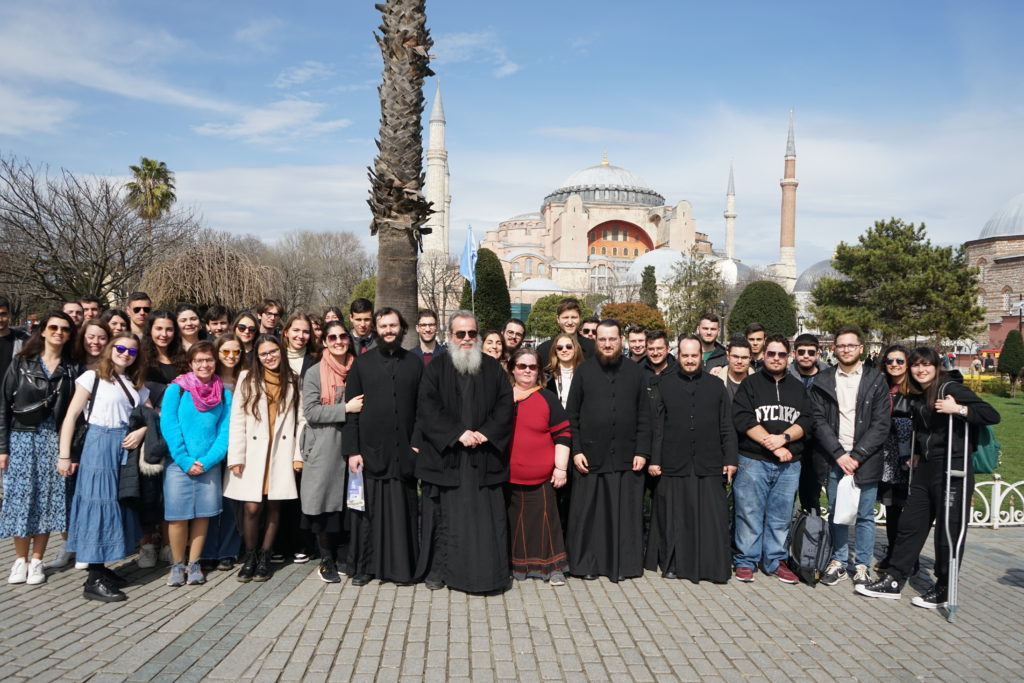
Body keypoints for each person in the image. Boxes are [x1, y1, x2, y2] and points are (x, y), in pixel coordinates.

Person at [857, 347, 1000, 608]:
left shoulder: (950, 389)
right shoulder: (917, 395)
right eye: (916, 365)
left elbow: (991, 415)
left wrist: (958, 409)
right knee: (911, 524)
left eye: (926, 365)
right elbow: (925, 431)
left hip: (954, 468)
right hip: (927, 468)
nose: (921, 370)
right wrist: (919, 453)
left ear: (936, 367)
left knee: (949, 530)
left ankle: (944, 586)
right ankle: (894, 578)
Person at [415, 311, 514, 594]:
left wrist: (486, 433)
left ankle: (490, 575)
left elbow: (505, 406)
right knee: (445, 521)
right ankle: (441, 572)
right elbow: (428, 408)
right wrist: (457, 433)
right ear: (450, 337)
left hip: (484, 458)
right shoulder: (435, 369)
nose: (467, 339)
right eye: (461, 334)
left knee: (486, 522)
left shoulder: (493, 369)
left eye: (472, 333)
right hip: (449, 459)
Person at [59, 333, 150, 602]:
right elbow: (71, 416)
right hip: (99, 446)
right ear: (111, 349)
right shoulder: (92, 378)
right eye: (121, 348)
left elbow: (151, 416)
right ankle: (94, 576)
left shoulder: (134, 384)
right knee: (98, 506)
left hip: (123, 448)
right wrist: (64, 456)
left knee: (116, 504)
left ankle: (103, 568)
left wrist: (142, 431)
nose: (125, 354)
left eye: (132, 351)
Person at [565, 318, 652, 582]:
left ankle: (622, 566)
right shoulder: (583, 372)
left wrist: (642, 451)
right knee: (590, 516)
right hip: (590, 457)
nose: (607, 344)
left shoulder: (636, 373)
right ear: (595, 341)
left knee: (624, 515)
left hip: (627, 457)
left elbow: (645, 417)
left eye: (612, 339)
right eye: (602, 339)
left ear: (620, 341)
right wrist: (576, 450)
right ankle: (588, 565)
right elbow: (572, 416)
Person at [645, 335, 737, 583]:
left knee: (710, 517)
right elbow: (658, 427)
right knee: (675, 517)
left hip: (709, 461)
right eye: (684, 355)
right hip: (673, 461)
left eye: (694, 355)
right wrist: (654, 459)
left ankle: (710, 566)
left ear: (700, 356)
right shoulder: (664, 385)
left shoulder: (716, 385)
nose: (689, 360)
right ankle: (673, 563)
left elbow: (726, 425)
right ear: (678, 355)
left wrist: (730, 459)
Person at [0, 312, 80, 586]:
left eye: (65, 329)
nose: (59, 332)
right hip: (22, 438)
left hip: (54, 441)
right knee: (20, 500)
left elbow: (76, 415)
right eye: (53, 327)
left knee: (47, 502)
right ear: (43, 331)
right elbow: (3, 406)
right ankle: (19, 560)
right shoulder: (22, 362)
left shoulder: (71, 368)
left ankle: (37, 561)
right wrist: (2, 447)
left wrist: (70, 453)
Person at [343, 309, 422, 586]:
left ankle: (402, 569)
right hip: (369, 451)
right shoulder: (362, 365)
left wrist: (416, 446)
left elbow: (423, 409)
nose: (389, 330)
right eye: (384, 325)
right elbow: (351, 411)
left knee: (404, 512)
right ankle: (365, 567)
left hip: (404, 453)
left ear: (402, 328)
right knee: (368, 513)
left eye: (393, 325)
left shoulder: (414, 363)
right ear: (376, 329)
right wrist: (352, 450)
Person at [810, 326, 891, 587]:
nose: (845, 349)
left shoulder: (875, 380)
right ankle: (839, 561)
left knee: (866, 515)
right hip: (835, 456)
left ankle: (862, 564)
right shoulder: (823, 381)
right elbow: (818, 420)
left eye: (850, 345)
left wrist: (856, 456)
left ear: (860, 348)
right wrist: (838, 454)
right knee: (837, 512)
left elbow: (881, 424)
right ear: (834, 348)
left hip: (864, 457)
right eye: (841, 345)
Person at [731, 334, 814, 584]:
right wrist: (774, 444)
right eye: (771, 353)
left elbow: (807, 421)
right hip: (753, 460)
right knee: (749, 513)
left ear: (787, 357)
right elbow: (743, 419)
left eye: (781, 354)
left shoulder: (798, 388)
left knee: (781, 516)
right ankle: (746, 560)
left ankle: (775, 560)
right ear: (763, 355)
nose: (776, 358)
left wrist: (785, 438)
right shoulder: (750, 384)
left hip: (789, 464)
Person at [223, 334, 306, 583]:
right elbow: (237, 419)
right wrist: (236, 455)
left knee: (273, 506)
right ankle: (250, 556)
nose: (269, 357)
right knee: (251, 507)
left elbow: (301, 419)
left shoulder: (292, 379)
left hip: (280, 451)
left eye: (273, 352)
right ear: (256, 357)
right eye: (263, 354)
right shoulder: (247, 378)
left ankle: (265, 558)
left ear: (280, 351)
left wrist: (297, 455)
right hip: (253, 452)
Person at [159, 341, 232, 587]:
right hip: (179, 464)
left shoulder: (224, 393)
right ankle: (177, 565)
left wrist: (208, 460)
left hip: (209, 464)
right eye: (199, 360)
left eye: (209, 360)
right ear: (190, 363)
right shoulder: (177, 390)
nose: (204, 365)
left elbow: (225, 432)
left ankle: (194, 563)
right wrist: (185, 460)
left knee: (203, 515)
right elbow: (169, 426)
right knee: (178, 517)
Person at [302, 319, 362, 583]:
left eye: (342, 337)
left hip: (354, 446)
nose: (338, 342)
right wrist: (345, 409)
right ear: (325, 342)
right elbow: (312, 412)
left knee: (349, 506)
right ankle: (326, 559)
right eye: (332, 338)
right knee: (324, 506)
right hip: (324, 446)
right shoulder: (315, 373)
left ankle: (346, 556)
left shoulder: (359, 368)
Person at [506, 348, 571, 586]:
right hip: (508, 476)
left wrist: (560, 468)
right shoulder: (502, 397)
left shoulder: (547, 398)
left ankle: (553, 568)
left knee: (546, 525)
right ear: (513, 369)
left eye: (532, 367)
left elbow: (564, 433)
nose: (527, 371)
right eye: (522, 366)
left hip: (542, 476)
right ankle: (514, 567)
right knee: (513, 525)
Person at [199, 333, 244, 572]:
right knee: (209, 500)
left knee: (231, 501)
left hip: (238, 447)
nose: (231, 357)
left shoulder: (246, 378)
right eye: (226, 352)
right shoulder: (209, 380)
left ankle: (227, 550)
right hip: (211, 447)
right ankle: (206, 550)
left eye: (236, 352)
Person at [875, 345, 914, 574]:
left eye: (900, 361)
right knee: (891, 509)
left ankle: (909, 557)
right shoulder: (882, 387)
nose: (895, 365)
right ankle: (892, 552)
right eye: (890, 360)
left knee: (909, 511)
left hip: (909, 458)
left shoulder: (915, 390)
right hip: (886, 459)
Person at [791, 333, 830, 513]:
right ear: (794, 353)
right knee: (785, 497)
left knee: (811, 497)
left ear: (817, 354)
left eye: (810, 352)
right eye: (802, 351)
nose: (806, 355)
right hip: (790, 442)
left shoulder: (829, 377)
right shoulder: (785, 374)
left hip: (818, 445)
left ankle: (809, 537)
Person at [545, 332, 583, 409]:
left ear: (575, 349)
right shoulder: (546, 375)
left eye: (568, 346)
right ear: (555, 351)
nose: (564, 350)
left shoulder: (585, 373)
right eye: (559, 348)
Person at [0, 296, 31, 382]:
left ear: (9, 314)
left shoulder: (24, 341)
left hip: (13, 393)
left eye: (3, 314)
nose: (0, 319)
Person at [282, 312, 317, 377]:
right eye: (296, 330)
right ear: (286, 332)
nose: (301, 336)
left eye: (306, 332)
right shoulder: (277, 357)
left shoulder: (317, 360)